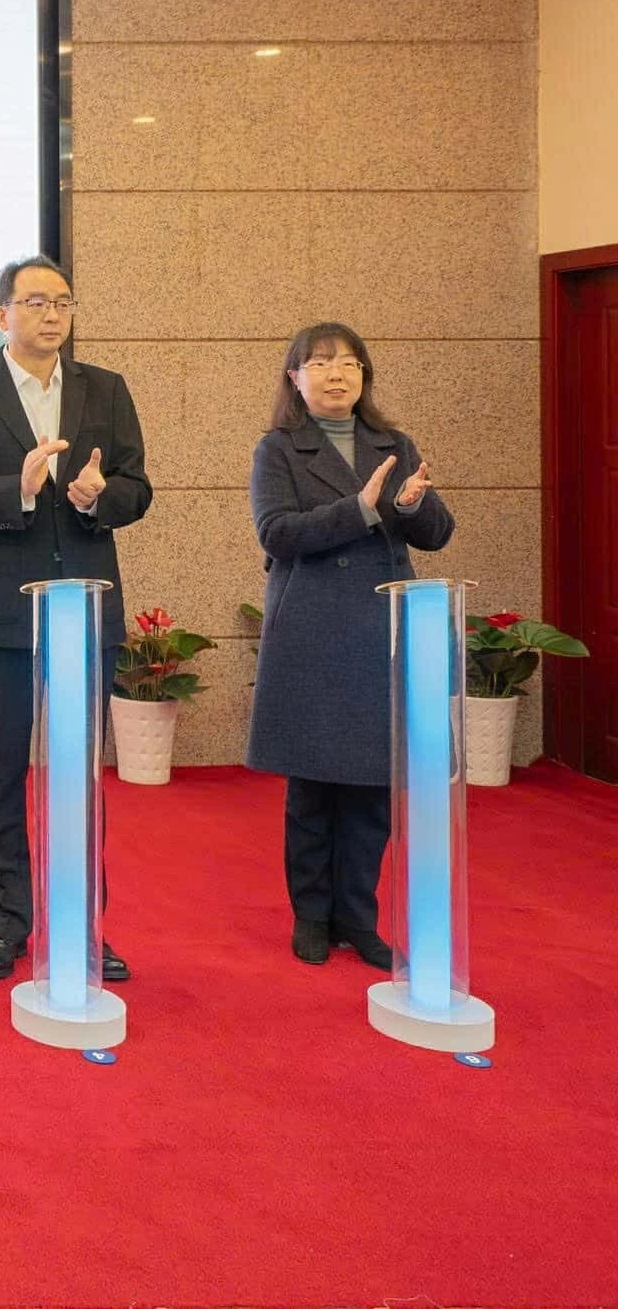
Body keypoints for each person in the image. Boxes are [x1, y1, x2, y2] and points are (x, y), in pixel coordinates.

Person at [0, 255, 151, 982]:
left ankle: (80, 924)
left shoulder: (105, 389)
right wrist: (16, 490)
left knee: (79, 772)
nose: (52, 314)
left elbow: (138, 488)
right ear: (2, 316)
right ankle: (5, 924)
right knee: (0, 774)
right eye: (35, 302)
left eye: (62, 302)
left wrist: (96, 495)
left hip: (85, 609)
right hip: (2, 612)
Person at [246, 322, 452, 970]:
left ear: (364, 375)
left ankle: (358, 918)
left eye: (349, 364)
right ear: (295, 377)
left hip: (379, 632)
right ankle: (311, 915)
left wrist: (411, 505)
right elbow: (276, 533)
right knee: (312, 788)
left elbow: (436, 534)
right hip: (311, 630)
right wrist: (360, 509)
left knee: (370, 788)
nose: (336, 375)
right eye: (320, 363)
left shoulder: (394, 444)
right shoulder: (277, 448)